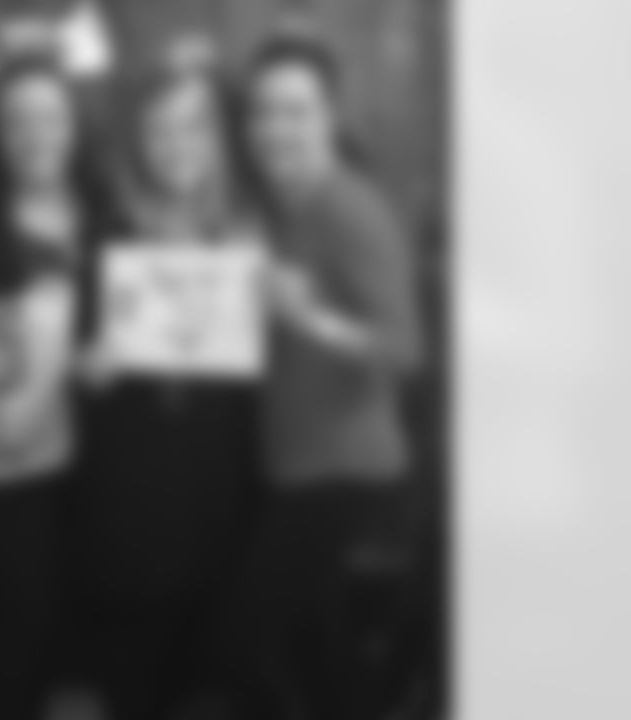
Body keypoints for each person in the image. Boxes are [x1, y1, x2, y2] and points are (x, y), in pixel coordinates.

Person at [233, 32, 424, 720]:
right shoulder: (281, 207)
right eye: (263, 111)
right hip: (298, 465)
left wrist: (307, 318)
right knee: (318, 651)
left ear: (331, 116)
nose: (277, 128)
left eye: (297, 110)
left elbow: (404, 348)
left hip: (345, 472)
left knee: (245, 640)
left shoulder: (349, 207)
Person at [69, 65, 265, 720]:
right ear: (137, 143)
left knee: (207, 676)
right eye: (159, 129)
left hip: (220, 492)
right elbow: (71, 361)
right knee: (134, 677)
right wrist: (86, 370)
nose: (177, 144)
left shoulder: (245, 233)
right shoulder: (106, 234)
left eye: (193, 126)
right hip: (131, 497)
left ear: (218, 139)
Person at [0, 56, 114, 720]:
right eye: (16, 121)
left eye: (50, 117)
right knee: (10, 626)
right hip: (3, 467)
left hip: (98, 463)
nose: (35, 135)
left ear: (75, 126)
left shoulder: (110, 220)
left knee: (59, 628)